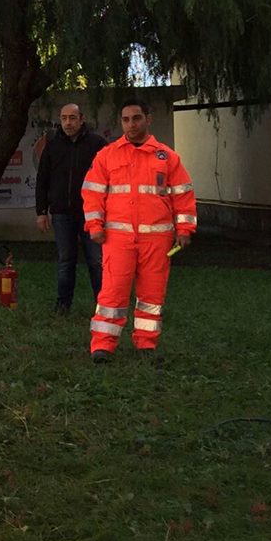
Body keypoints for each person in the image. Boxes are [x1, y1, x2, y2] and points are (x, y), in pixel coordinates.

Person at [81, 98, 197, 363]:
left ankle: (146, 344)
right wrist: (94, 226)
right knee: (112, 292)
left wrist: (185, 229)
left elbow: (183, 195)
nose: (131, 124)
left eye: (136, 118)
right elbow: (92, 193)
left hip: (157, 239)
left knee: (152, 295)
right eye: (125, 119)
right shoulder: (107, 155)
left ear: (148, 119)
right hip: (117, 238)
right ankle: (103, 346)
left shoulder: (167, 157)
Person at [35, 103, 107, 314]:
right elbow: (42, 180)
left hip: (91, 215)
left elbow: (109, 178)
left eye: (72, 118)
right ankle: (63, 305)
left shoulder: (97, 144)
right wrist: (41, 212)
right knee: (66, 260)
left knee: (96, 261)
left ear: (81, 119)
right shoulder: (53, 145)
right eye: (64, 118)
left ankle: (104, 306)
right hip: (61, 214)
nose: (68, 123)